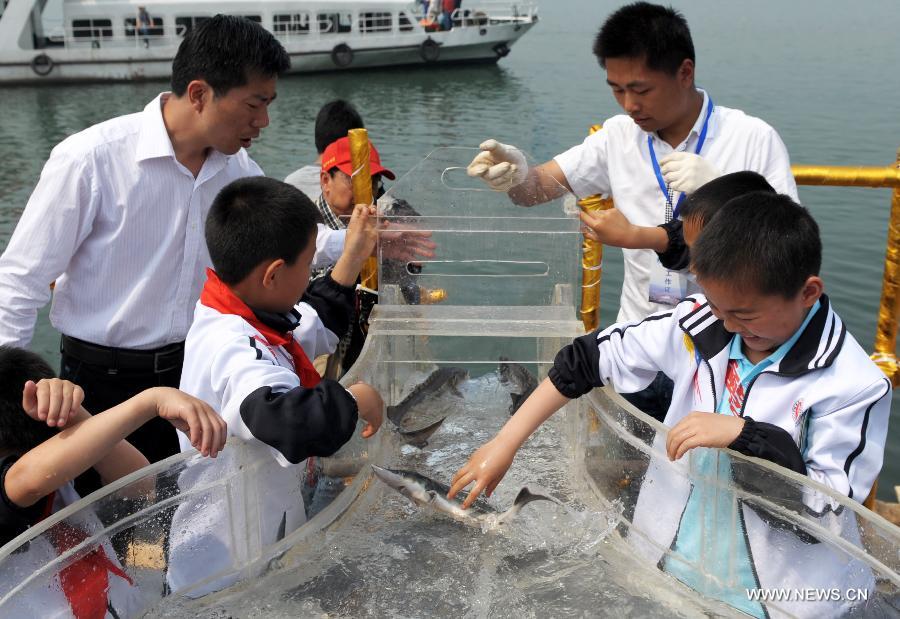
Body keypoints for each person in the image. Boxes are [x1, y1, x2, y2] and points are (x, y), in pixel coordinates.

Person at [449, 193, 890, 617]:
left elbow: (822, 516)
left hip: (780, 599)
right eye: (719, 307)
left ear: (808, 292)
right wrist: (505, 443)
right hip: (670, 565)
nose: (731, 326)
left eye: (747, 315)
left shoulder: (852, 384)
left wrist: (745, 436)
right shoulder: (700, 322)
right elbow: (588, 359)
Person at [465, 2, 798, 421]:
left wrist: (720, 195)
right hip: (640, 347)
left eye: (641, 90)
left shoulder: (751, 139)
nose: (629, 105)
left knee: (707, 472)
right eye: (616, 89)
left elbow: (784, 254)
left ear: (685, 72)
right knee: (628, 469)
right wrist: (514, 173)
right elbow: (536, 190)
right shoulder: (617, 137)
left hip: (725, 351)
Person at [0, 16, 289, 494]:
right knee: (100, 522)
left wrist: (366, 238)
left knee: (187, 515)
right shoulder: (90, 159)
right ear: (199, 94)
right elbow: (20, 281)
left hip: (191, 375)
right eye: (254, 104)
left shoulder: (236, 168)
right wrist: (9, 392)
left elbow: (277, 236)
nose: (263, 120)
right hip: (98, 385)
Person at [167, 176, 384, 594]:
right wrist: (354, 399)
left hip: (261, 541)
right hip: (223, 573)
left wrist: (353, 257)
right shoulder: (231, 347)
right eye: (308, 265)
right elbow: (287, 419)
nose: (309, 277)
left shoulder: (235, 312)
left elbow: (307, 325)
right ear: (272, 275)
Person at [0, 346, 225, 616]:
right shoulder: (27, 479)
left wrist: (71, 415)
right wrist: (151, 401)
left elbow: (140, 482)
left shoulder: (58, 474)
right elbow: (27, 479)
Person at [284, 100, 365, 268]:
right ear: (325, 181)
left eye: (375, 180)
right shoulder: (363, 190)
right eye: (350, 179)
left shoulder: (290, 184)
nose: (360, 190)